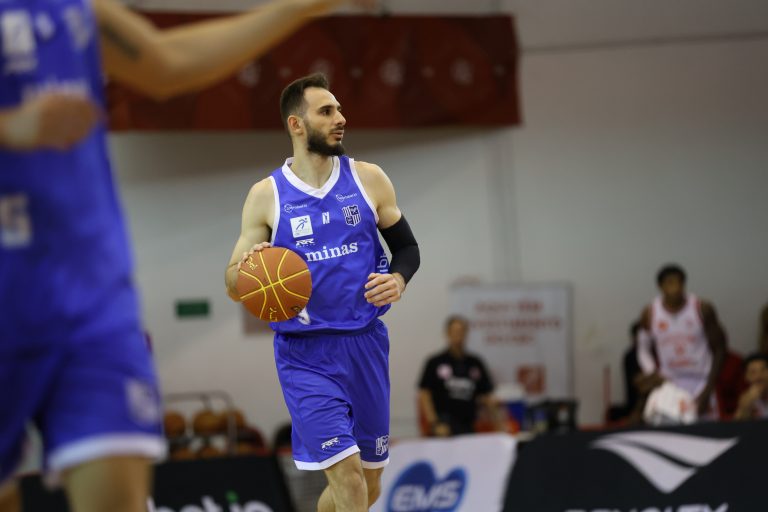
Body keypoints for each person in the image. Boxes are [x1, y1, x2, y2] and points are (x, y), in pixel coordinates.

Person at [0, 1, 372, 511]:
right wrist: (11, 129)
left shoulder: (73, 7)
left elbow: (166, 61)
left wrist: (302, 6)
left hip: (91, 297)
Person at [224, 73, 419, 512]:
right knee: (347, 478)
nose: (341, 118)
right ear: (296, 124)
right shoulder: (267, 195)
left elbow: (407, 248)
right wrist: (251, 267)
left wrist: (399, 279)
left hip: (366, 344)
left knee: (368, 485)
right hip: (305, 354)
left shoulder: (369, 179)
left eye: (340, 109)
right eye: (327, 111)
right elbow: (233, 285)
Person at [636, 264, 727, 420]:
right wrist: (651, 371)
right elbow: (643, 348)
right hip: (669, 383)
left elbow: (720, 348)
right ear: (660, 286)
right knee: (669, 430)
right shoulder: (650, 312)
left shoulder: (702, 308)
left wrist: (708, 388)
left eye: (679, 282)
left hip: (700, 380)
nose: (675, 288)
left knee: (706, 430)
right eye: (670, 283)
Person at [417, 315, 502, 436]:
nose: (458, 335)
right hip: (443, 426)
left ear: (466, 333)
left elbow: (487, 396)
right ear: (447, 333)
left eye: (461, 331)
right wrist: (435, 423)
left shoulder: (475, 363)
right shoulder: (435, 362)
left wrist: (499, 424)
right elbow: (424, 394)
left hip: (468, 426)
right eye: (454, 331)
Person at [734, 353, 768, 420]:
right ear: (746, 377)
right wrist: (745, 406)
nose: (759, 376)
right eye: (753, 372)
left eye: (763, 370)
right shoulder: (745, 399)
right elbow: (736, 424)